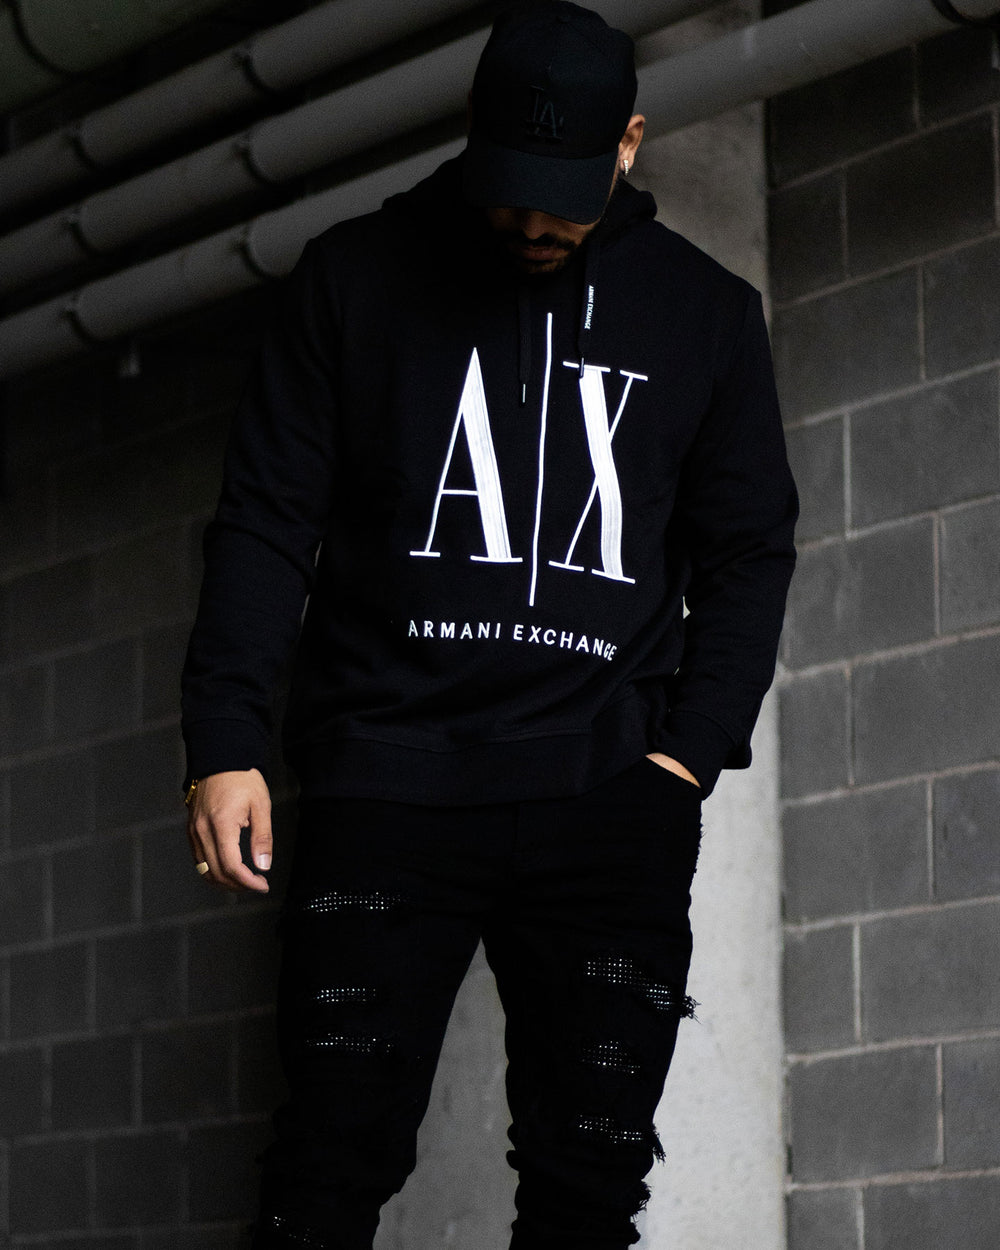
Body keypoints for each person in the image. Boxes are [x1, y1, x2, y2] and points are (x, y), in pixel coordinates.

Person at [181, 3, 798, 1246]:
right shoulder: (352, 280)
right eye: (511, 189)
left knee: (590, 1181)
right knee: (325, 1166)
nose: (531, 225)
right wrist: (225, 739)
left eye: (562, 198)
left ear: (628, 143)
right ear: (471, 130)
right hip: (384, 782)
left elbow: (748, 550)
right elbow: (264, 519)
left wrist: (683, 759)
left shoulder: (706, 315)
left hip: (608, 798)